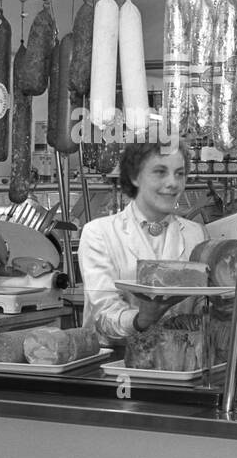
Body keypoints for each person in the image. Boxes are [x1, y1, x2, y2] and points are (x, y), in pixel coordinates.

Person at [78, 142, 205, 341]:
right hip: (115, 360)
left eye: (180, 173)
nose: (173, 183)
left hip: (178, 359)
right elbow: (102, 313)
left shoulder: (195, 233)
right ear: (135, 177)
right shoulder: (99, 233)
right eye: (160, 172)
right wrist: (141, 319)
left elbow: (200, 305)